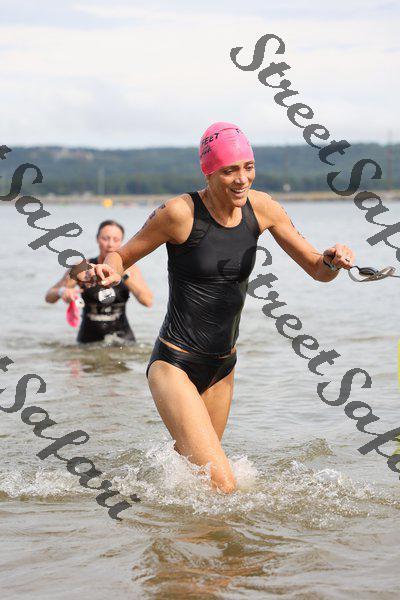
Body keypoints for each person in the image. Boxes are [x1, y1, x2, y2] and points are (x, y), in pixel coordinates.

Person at [74, 122, 355, 493]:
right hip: (174, 364)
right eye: (229, 170)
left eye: (248, 167)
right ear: (208, 172)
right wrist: (111, 270)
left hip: (222, 368)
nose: (242, 179)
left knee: (197, 483)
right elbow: (122, 255)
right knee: (223, 485)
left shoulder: (263, 208)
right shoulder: (179, 213)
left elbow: (317, 269)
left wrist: (332, 260)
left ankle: (145, 508)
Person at [45, 219, 153, 343]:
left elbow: (148, 301)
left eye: (116, 239)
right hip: (88, 342)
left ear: (122, 242)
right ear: (97, 239)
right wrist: (62, 292)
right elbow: (49, 297)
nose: (110, 244)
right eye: (105, 238)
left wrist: (123, 275)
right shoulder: (82, 268)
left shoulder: (130, 269)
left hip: (123, 340)